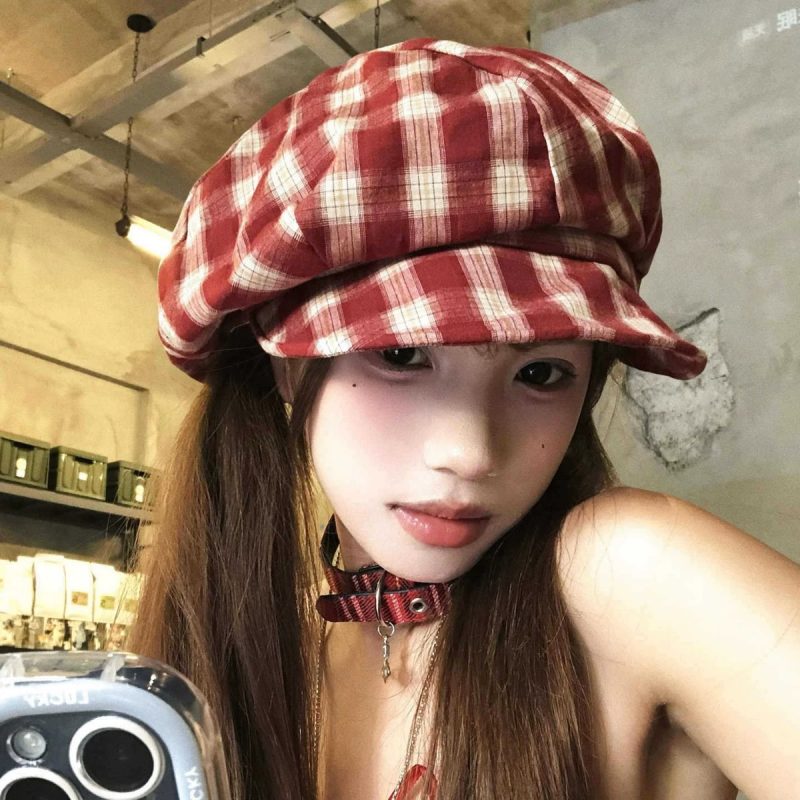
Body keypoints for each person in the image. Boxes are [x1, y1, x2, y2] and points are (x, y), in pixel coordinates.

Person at [133, 39, 800, 800]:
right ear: (287, 364)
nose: (470, 451)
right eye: (401, 354)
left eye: (541, 372)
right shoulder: (273, 652)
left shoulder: (628, 577)